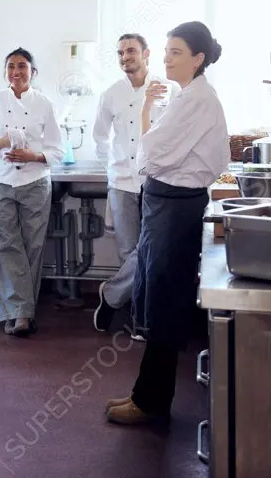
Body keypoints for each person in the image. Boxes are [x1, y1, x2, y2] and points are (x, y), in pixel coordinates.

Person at [106, 21, 229, 425]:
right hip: (167, 202)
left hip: (175, 206)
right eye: (166, 50)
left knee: (164, 299)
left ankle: (151, 403)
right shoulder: (187, 96)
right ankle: (147, 395)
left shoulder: (196, 99)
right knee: (157, 295)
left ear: (198, 58)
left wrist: (147, 134)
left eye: (175, 52)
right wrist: (147, 122)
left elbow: (153, 154)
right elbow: (152, 149)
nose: (165, 58)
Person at [0, 48, 65, 337]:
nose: (16, 71)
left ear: (33, 72)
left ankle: (19, 312)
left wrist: (33, 156)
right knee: (7, 245)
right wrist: (0, 142)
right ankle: (22, 314)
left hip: (35, 182)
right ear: (5, 72)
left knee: (32, 247)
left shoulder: (45, 104)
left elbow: (57, 150)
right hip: (1, 181)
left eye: (22, 66)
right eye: (11, 66)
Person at [91, 34, 178, 335]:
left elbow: (174, 133)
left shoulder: (168, 88)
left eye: (131, 50)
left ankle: (111, 295)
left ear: (146, 54)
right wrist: (111, 168)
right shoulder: (111, 94)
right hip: (122, 182)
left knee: (150, 250)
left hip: (155, 180)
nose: (125, 56)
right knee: (130, 251)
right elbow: (99, 137)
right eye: (120, 52)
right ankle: (139, 319)